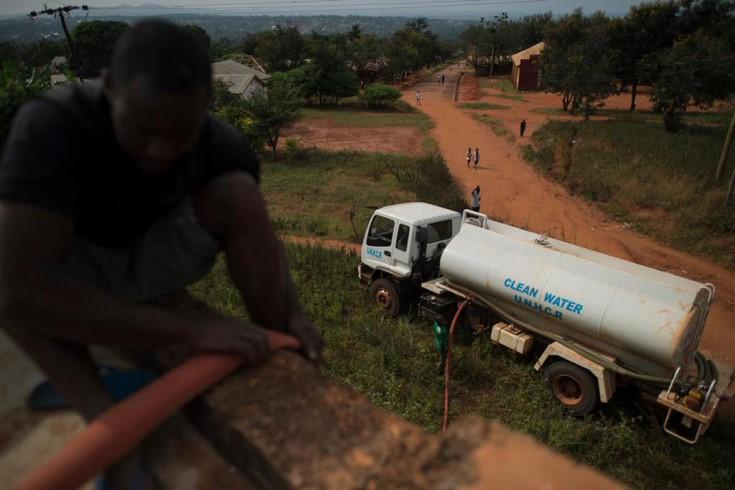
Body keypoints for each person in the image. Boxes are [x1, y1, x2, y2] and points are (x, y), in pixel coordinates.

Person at [0, 20, 324, 490]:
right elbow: (18, 289)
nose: (160, 150)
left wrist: (292, 311)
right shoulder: (52, 123)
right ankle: (101, 415)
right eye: (141, 130)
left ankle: (276, 353)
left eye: (182, 134)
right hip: (75, 272)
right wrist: (187, 331)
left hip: (149, 266)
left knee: (239, 191)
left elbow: (263, 239)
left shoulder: (220, 145)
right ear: (109, 88)